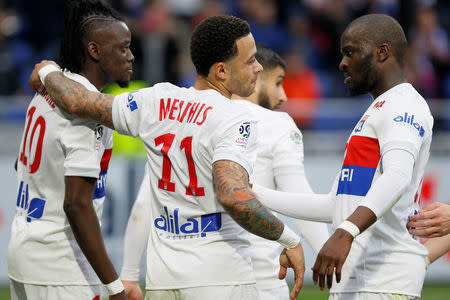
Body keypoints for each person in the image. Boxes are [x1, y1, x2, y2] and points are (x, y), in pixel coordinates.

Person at [28, 15, 305, 300]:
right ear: (221, 71)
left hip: (162, 280)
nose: (258, 67)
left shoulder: (155, 100)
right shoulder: (238, 119)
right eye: (250, 61)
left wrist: (49, 71)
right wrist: (288, 238)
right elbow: (232, 195)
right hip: (220, 279)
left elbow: (77, 101)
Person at [119, 44, 330, 300]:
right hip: (250, 281)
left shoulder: (180, 121)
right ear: (255, 77)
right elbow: (301, 202)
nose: (283, 95)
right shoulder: (277, 124)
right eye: (277, 82)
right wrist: (336, 266)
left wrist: (129, 274)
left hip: (173, 276)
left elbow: (144, 207)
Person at [252, 14, 434, 300]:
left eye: (350, 52)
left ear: (382, 52)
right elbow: (335, 206)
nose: (342, 63)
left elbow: (397, 175)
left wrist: (346, 231)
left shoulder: (404, 105)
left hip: (383, 282)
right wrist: (252, 193)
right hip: (358, 280)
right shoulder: (377, 110)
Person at [8, 0, 134, 299]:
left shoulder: (44, 93)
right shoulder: (87, 112)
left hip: (24, 250)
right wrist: (115, 287)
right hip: (60, 262)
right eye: (123, 47)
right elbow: (76, 204)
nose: (131, 57)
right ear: (94, 51)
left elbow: (21, 164)